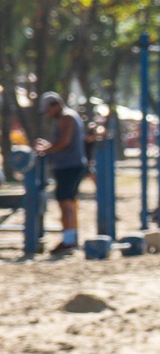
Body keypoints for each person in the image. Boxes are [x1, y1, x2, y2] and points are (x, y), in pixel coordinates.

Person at [32, 91, 88, 256]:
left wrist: (45, 149)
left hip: (69, 166)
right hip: (71, 165)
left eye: (48, 110)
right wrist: (48, 146)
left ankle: (69, 240)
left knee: (66, 203)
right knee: (69, 203)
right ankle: (70, 238)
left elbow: (64, 142)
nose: (48, 115)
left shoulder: (66, 117)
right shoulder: (70, 116)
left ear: (55, 105)